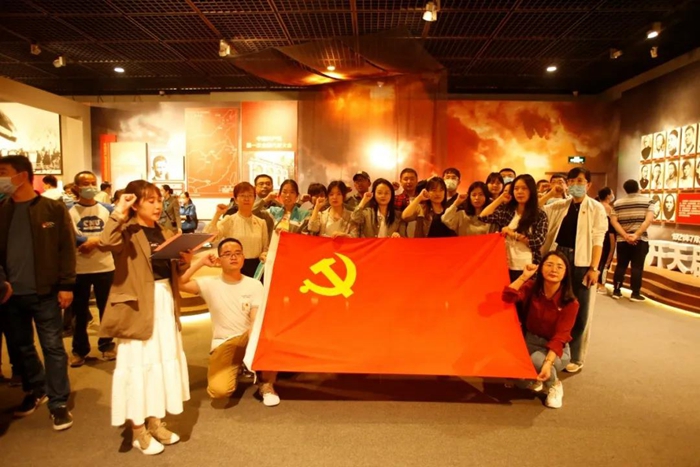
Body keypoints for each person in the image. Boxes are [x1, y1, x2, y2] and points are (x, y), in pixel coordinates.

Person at [99, 180, 191, 456]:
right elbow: (106, 242)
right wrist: (119, 210)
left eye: (159, 200)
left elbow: (172, 270)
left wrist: (185, 259)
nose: (157, 205)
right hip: (137, 305)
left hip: (164, 300)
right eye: (150, 200)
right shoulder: (126, 229)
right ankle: (138, 430)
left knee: (160, 362)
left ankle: (154, 421)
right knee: (138, 364)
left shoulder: (164, 231)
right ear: (135, 203)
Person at [0, 155, 75, 430]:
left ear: (22, 175)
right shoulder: (2, 210)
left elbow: (66, 248)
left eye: (3, 172)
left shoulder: (52, 209)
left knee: (53, 346)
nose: (1, 178)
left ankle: (58, 402)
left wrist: (67, 285)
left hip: (46, 293)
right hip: (10, 295)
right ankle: (37, 387)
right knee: (21, 347)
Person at [178, 238, 280, 407]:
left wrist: (254, 338)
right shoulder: (210, 284)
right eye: (227, 254)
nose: (233, 257)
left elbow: (255, 319)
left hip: (248, 337)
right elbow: (180, 283)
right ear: (219, 260)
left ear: (243, 257)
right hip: (224, 342)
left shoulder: (254, 285)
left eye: (237, 253)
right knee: (219, 391)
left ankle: (266, 384)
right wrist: (201, 262)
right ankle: (238, 366)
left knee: (269, 330)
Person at [539, 168, 607, 374]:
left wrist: (594, 268)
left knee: (580, 309)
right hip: (560, 258)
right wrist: (551, 192)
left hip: (583, 262)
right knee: (556, 305)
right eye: (571, 181)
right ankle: (555, 349)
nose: (575, 184)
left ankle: (577, 356)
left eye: (580, 181)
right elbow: (536, 209)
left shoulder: (596, 208)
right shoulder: (560, 205)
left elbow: (598, 238)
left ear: (588, 185)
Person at [501, 252, 579, 409]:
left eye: (559, 267)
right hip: (530, 341)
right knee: (519, 382)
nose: (554, 269)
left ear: (565, 273)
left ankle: (554, 385)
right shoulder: (532, 288)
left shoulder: (571, 302)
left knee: (538, 361)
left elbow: (560, 337)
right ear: (541, 268)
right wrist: (524, 276)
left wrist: (547, 363)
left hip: (556, 349)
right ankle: (535, 377)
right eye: (549, 265)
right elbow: (508, 297)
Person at [67, 171, 116, 367]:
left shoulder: (107, 209)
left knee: (107, 309)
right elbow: (67, 235)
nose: (89, 187)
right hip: (79, 268)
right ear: (76, 187)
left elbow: (114, 233)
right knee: (79, 313)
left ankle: (107, 344)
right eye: (85, 183)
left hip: (105, 266)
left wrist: (94, 242)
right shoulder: (68, 210)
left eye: (92, 182)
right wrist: (84, 242)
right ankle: (79, 350)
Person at [479, 174, 549, 282]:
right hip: (504, 264)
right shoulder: (508, 210)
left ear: (531, 191)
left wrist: (512, 234)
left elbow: (537, 241)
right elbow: (483, 217)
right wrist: (501, 198)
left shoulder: (539, 215)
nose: (519, 192)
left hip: (526, 266)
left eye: (524, 188)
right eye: (516, 188)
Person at [206, 182, 269, 278]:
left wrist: (264, 255)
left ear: (254, 199)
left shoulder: (261, 222)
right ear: (235, 199)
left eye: (250, 195)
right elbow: (210, 237)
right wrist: (217, 215)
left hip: (256, 268)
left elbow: (265, 248)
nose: (246, 199)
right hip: (234, 266)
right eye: (242, 195)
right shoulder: (229, 220)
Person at [610, 180, 655, 302]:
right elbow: (648, 220)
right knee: (637, 267)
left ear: (625, 189)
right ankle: (635, 293)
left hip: (622, 240)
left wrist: (625, 235)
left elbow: (614, 221)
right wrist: (636, 235)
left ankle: (616, 290)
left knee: (621, 265)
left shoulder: (617, 203)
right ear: (638, 188)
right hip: (640, 240)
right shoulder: (648, 201)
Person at [594, 187, 617, 295]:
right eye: (611, 193)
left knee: (597, 259)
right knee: (605, 260)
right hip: (607, 236)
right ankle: (601, 284)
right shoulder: (609, 209)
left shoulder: (595, 205)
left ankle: (595, 282)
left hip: (595, 236)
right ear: (608, 195)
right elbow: (612, 227)